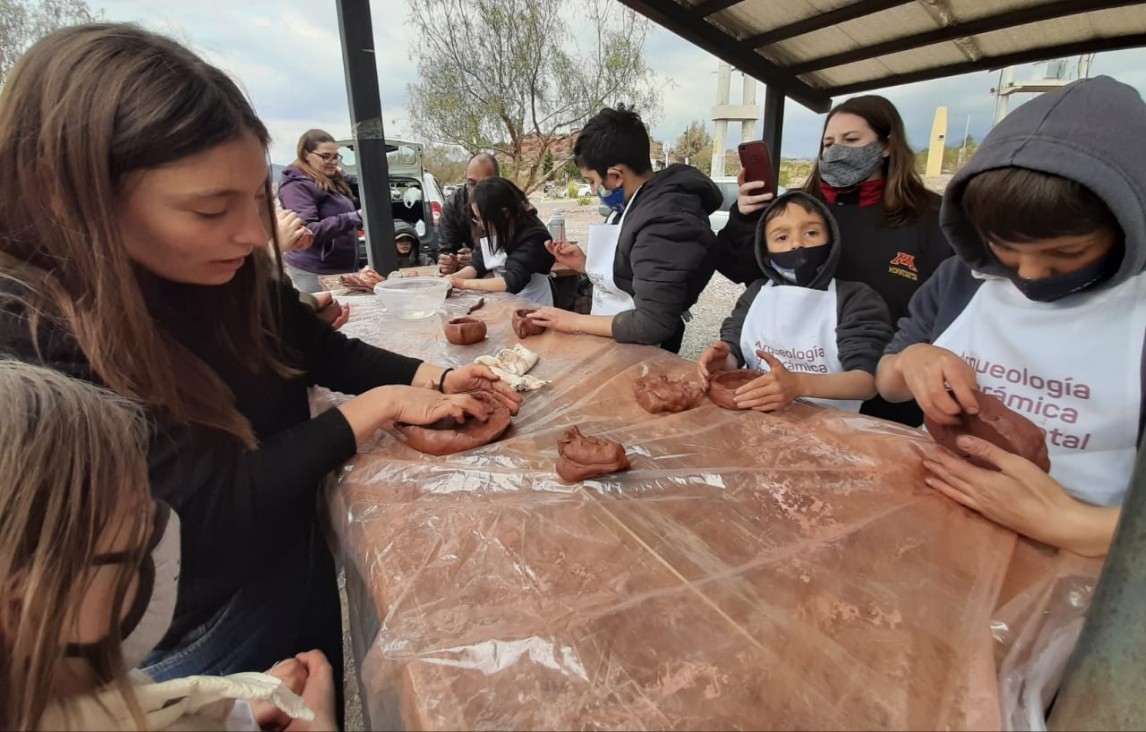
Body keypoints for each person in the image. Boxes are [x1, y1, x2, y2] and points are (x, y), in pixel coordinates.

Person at [0, 22, 521, 716]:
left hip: (288, 546)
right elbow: (201, 512)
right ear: (71, 197)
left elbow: (309, 346)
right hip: (202, 626)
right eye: (212, 209)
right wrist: (376, 408)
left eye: (255, 200)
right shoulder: (37, 337)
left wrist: (432, 379)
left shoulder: (224, 263)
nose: (252, 235)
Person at [875, 75, 1146, 557]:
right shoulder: (961, 278)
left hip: (1083, 562)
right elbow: (888, 382)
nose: (1032, 274)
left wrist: (1073, 523)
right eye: (1006, 249)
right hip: (930, 516)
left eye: (1066, 252)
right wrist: (913, 359)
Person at [0, 361, 336, 731]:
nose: (160, 541)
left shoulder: (63, 695)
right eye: (137, 532)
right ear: (26, 605)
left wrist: (239, 719)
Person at [716, 96, 952, 426]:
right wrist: (744, 217)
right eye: (828, 143)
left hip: (885, 407)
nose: (837, 150)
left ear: (886, 145)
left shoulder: (932, 218)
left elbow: (949, 310)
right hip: (783, 401)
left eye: (851, 140)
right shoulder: (800, 212)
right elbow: (744, 272)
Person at [529, 106, 722, 353]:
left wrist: (572, 320)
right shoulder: (635, 202)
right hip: (614, 341)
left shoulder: (666, 220)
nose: (594, 190)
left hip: (642, 350)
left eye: (592, 181)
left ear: (616, 176)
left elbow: (652, 323)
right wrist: (587, 265)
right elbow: (634, 272)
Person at [698, 191, 892, 412]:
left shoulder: (855, 299)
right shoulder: (757, 293)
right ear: (765, 252)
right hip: (758, 421)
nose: (797, 244)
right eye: (781, 238)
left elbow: (866, 382)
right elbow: (735, 349)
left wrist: (799, 385)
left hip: (830, 429)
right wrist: (724, 360)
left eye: (811, 232)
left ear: (831, 239)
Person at [447, 177, 556, 306]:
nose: (480, 225)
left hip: (532, 304)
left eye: (482, 219)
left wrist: (463, 284)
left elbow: (512, 280)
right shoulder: (491, 227)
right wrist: (451, 279)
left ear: (504, 213)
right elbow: (478, 263)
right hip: (503, 302)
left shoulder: (534, 235)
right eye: (477, 218)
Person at [278, 129, 362, 293]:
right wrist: (353, 217)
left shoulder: (328, 179)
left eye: (335, 156)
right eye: (325, 156)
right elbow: (308, 231)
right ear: (306, 155)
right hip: (314, 271)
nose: (332, 162)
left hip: (338, 269)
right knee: (321, 316)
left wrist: (344, 176)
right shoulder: (296, 186)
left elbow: (364, 189)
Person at [437, 153, 500, 275]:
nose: (477, 191)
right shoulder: (453, 204)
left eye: (485, 185)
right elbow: (446, 249)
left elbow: (518, 253)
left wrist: (478, 260)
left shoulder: (510, 203)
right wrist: (449, 263)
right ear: (465, 178)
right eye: (472, 183)